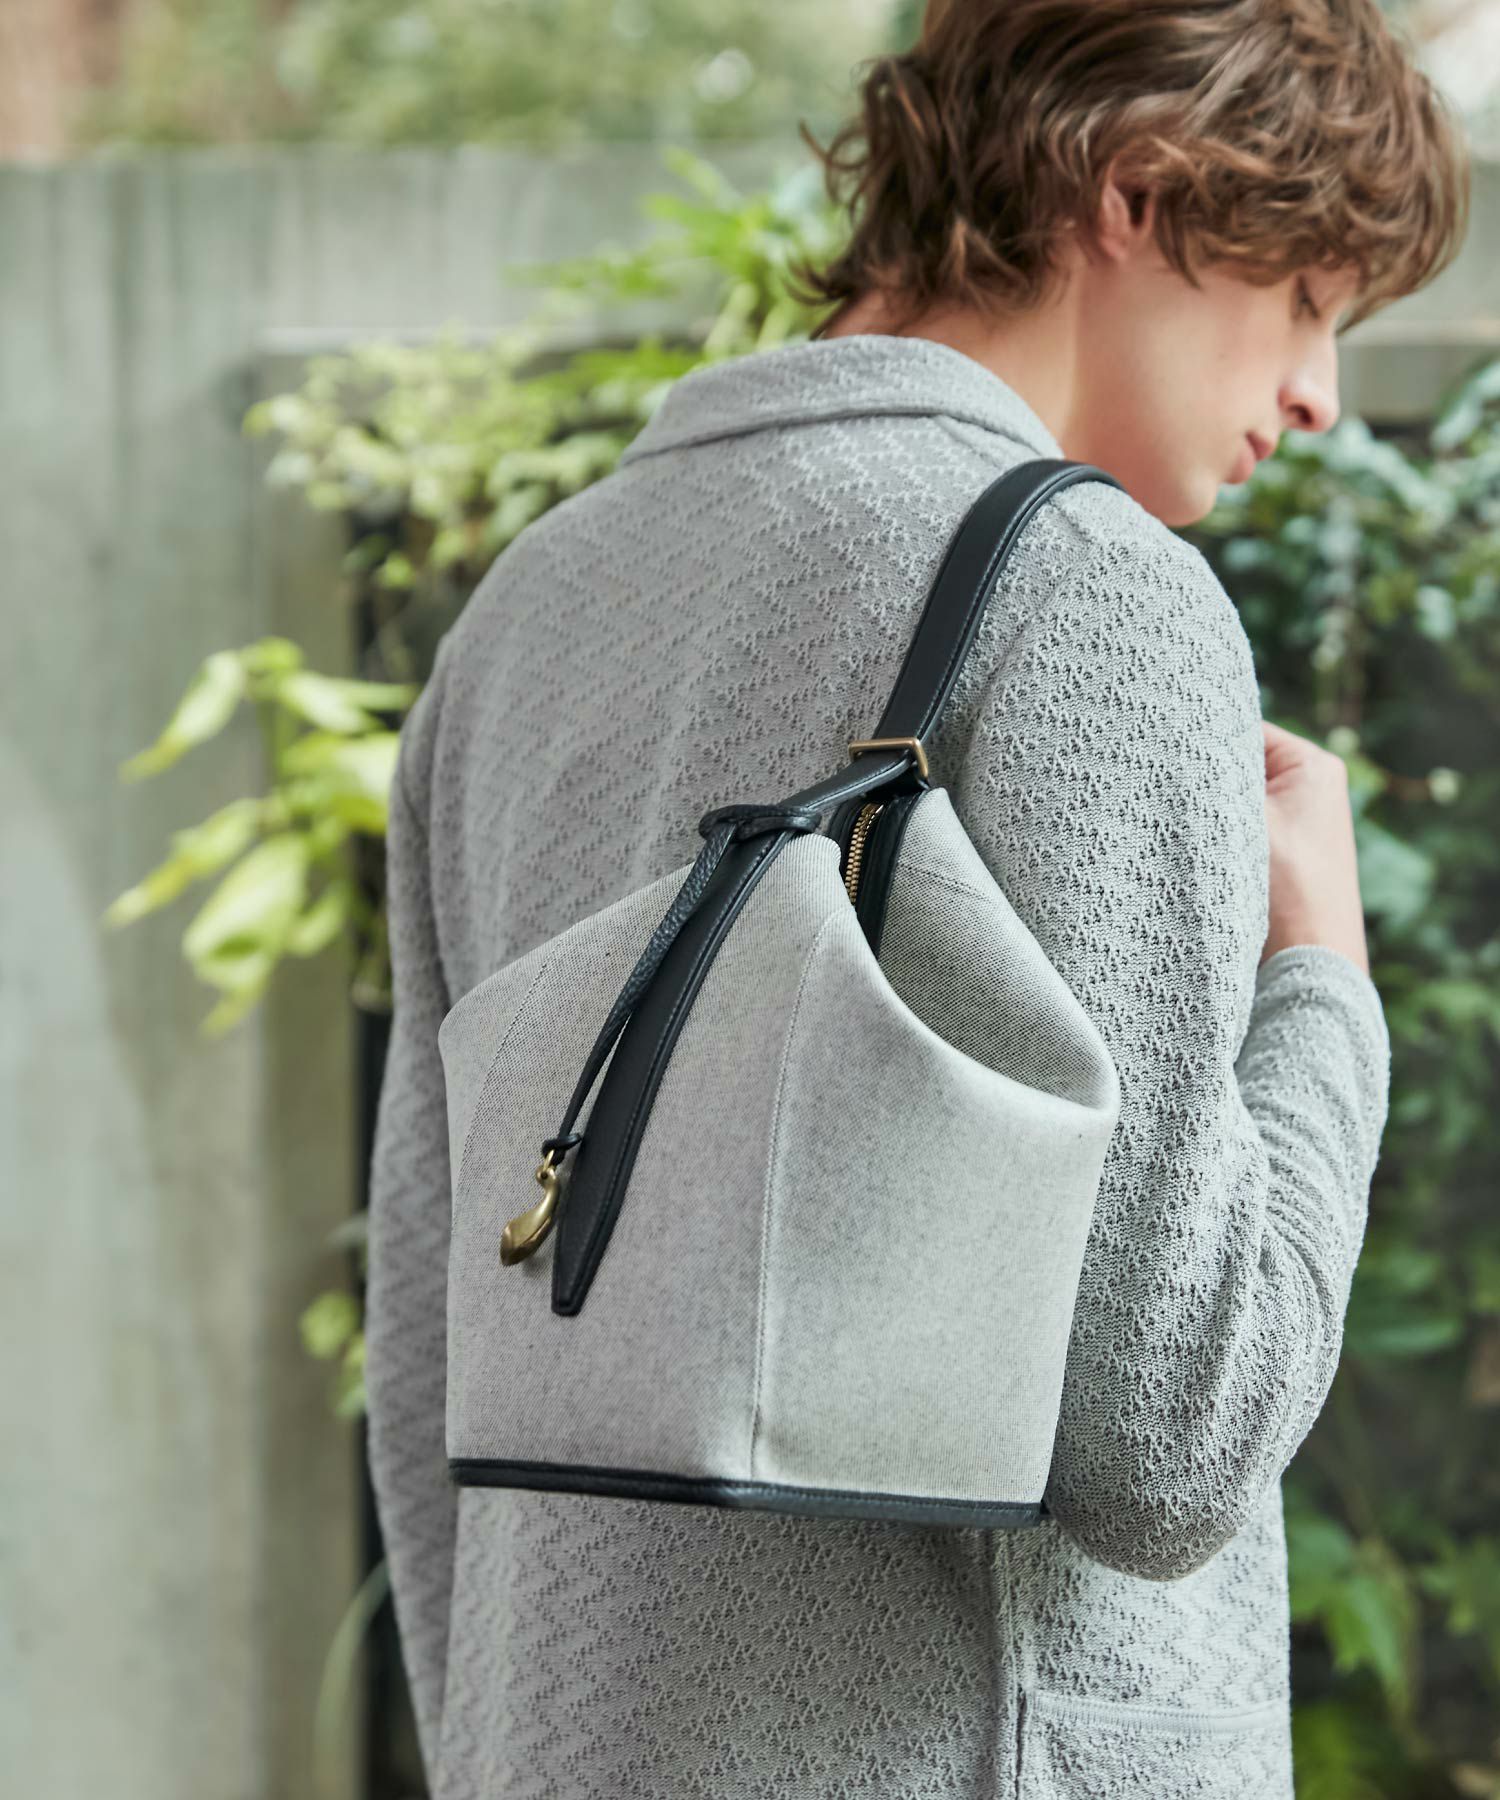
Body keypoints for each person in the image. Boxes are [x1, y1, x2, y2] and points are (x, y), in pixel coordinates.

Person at [363, 2, 1470, 1794]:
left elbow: (438, 1372)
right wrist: (1324, 978)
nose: (1319, 396)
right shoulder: (1091, 589)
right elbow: (1174, 1439)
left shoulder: (522, 618)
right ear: (1137, 190)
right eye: (1306, 299)